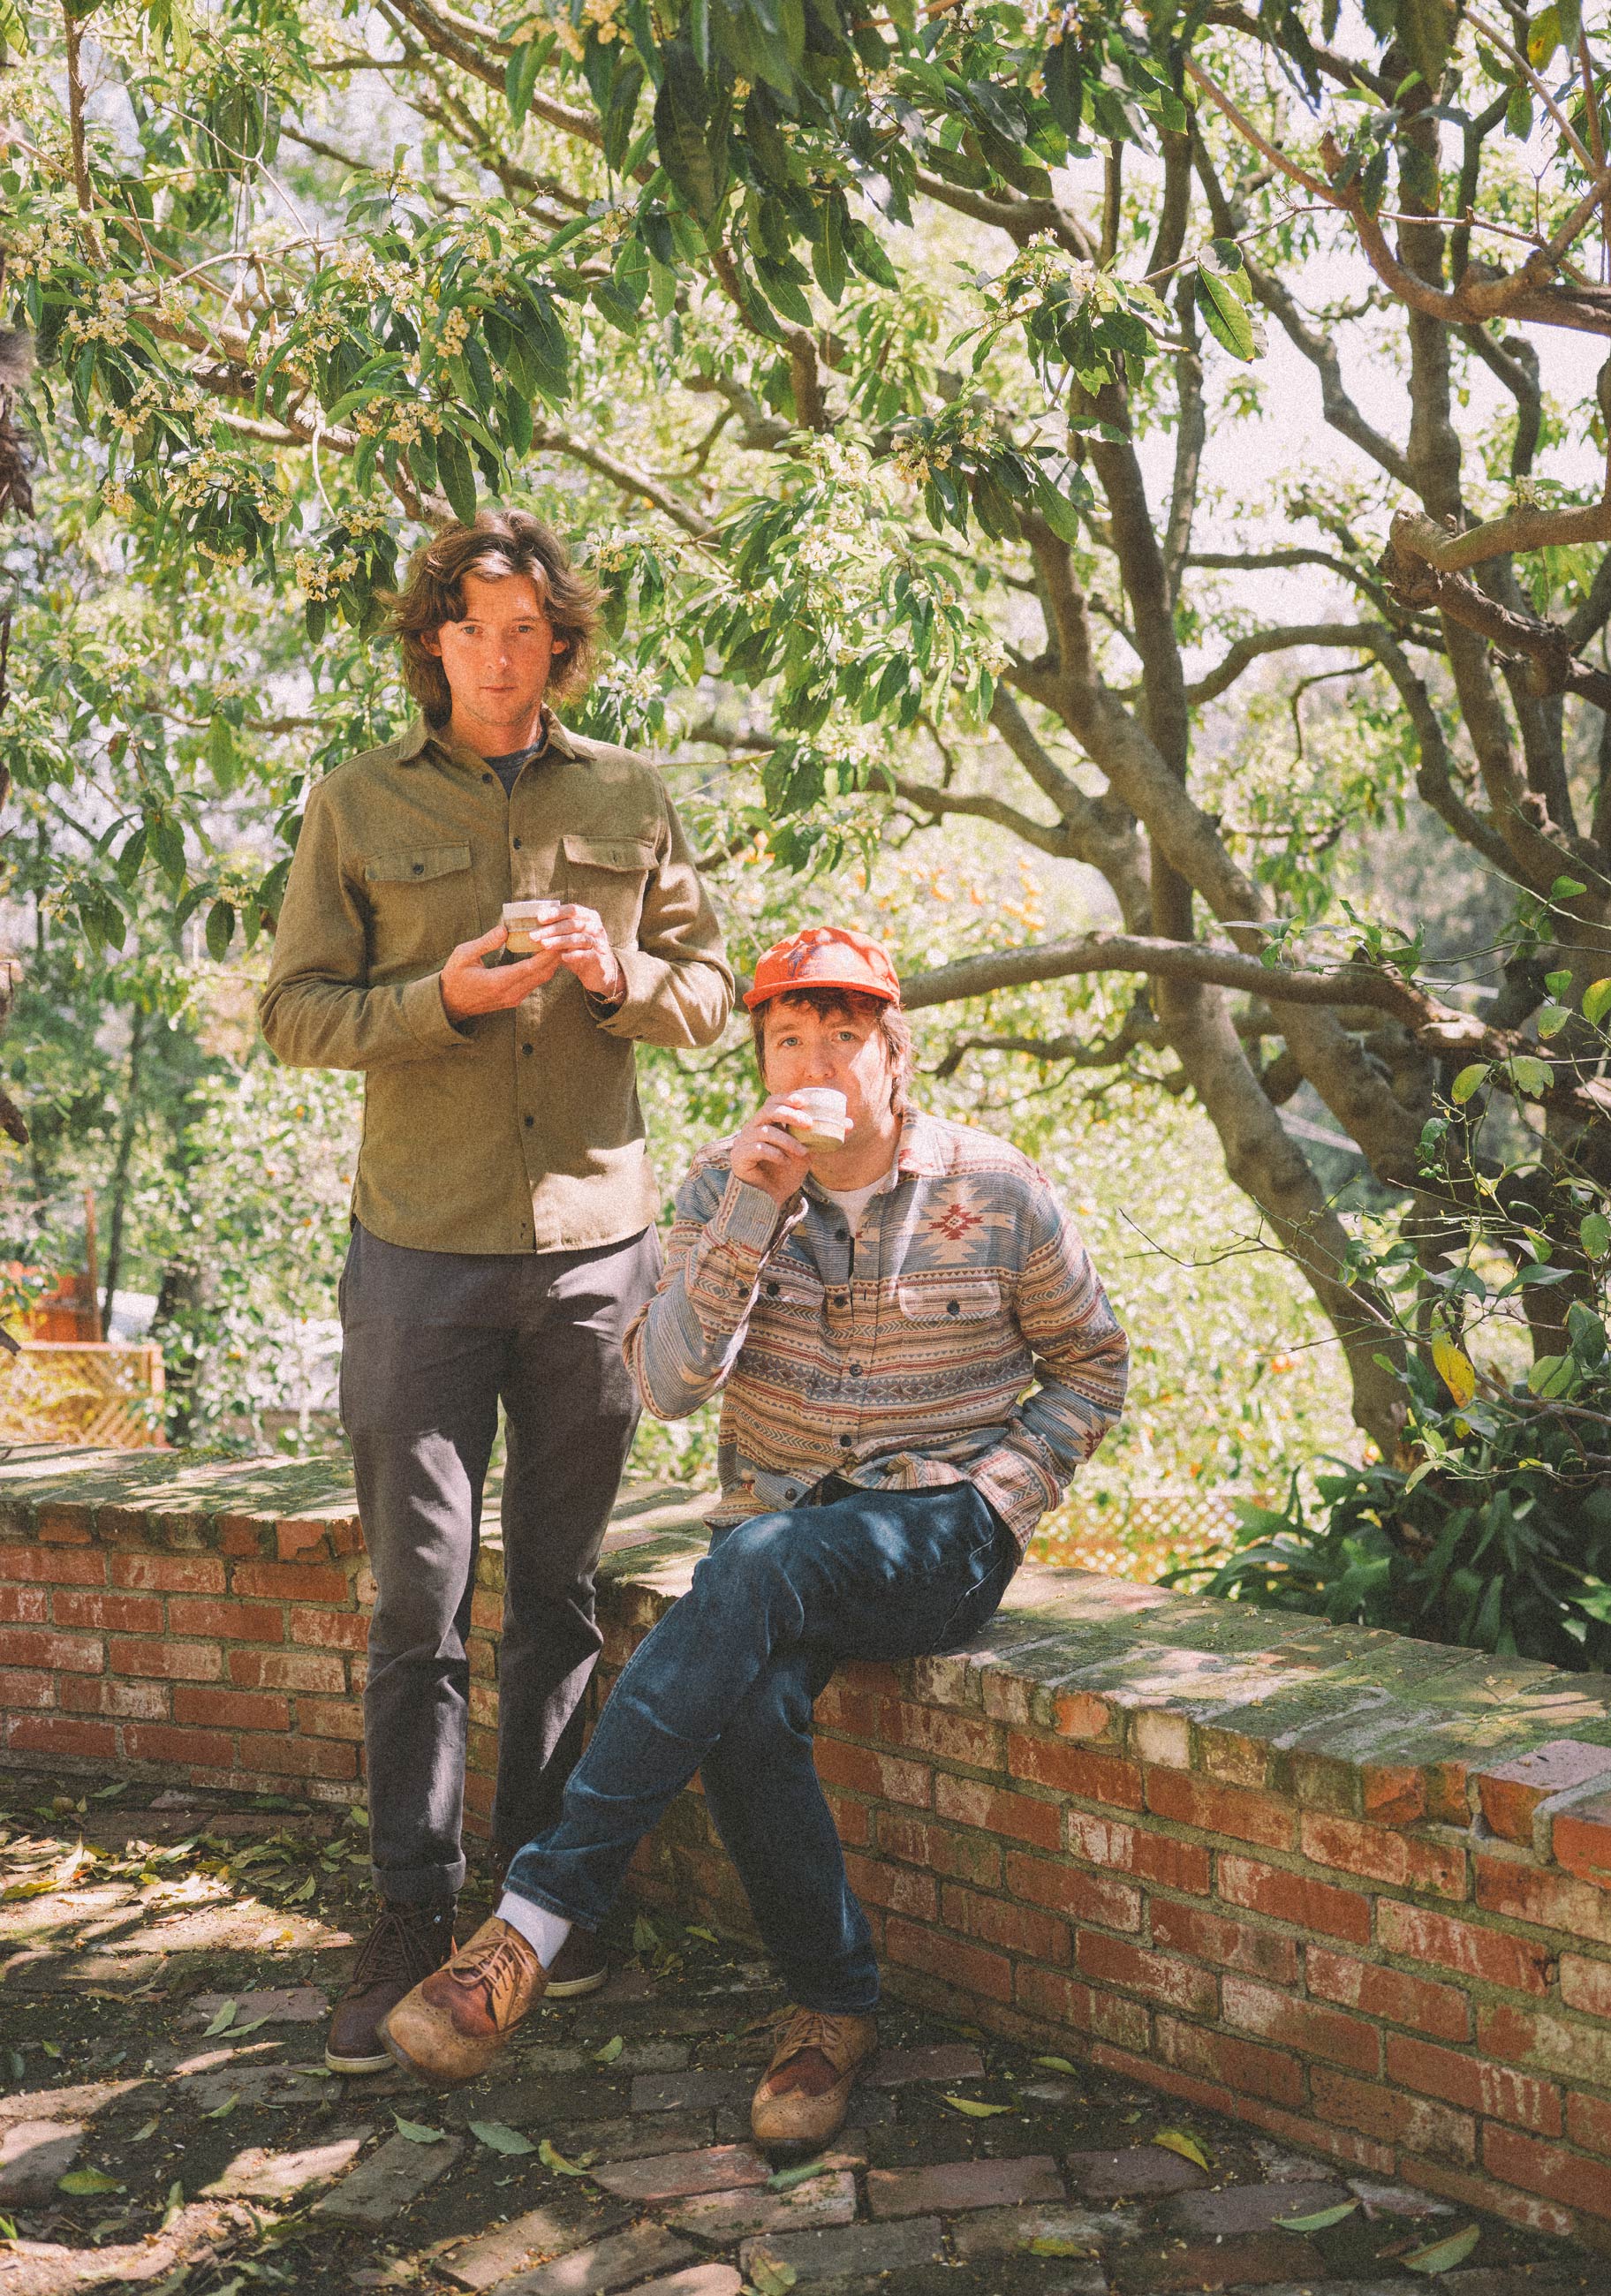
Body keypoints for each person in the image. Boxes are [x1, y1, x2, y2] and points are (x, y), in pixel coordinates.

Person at [380, 924, 1128, 2146]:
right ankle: (832, 2009)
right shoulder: (719, 1187)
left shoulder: (994, 1189)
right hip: (779, 1534)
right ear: (764, 1066)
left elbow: (1092, 1365)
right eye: (789, 1038)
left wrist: (1005, 1489)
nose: (818, 1057)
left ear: (893, 1055)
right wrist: (752, 1214)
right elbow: (668, 1384)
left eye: (844, 1033)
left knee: (748, 1569)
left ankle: (535, 1921)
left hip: (938, 1528)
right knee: (747, 1695)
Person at [258, 509, 734, 2074]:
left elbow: (715, 1000)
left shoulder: (632, 795)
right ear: (434, 642)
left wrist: (619, 978)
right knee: (418, 1599)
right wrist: (440, 1001)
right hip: (418, 1251)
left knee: (559, 1598)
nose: (506, 657)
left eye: (532, 630)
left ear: (561, 643)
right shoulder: (354, 801)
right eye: (478, 628)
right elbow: (295, 1015)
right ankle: (410, 1905)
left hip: (595, 1253)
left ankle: (535, 1910)